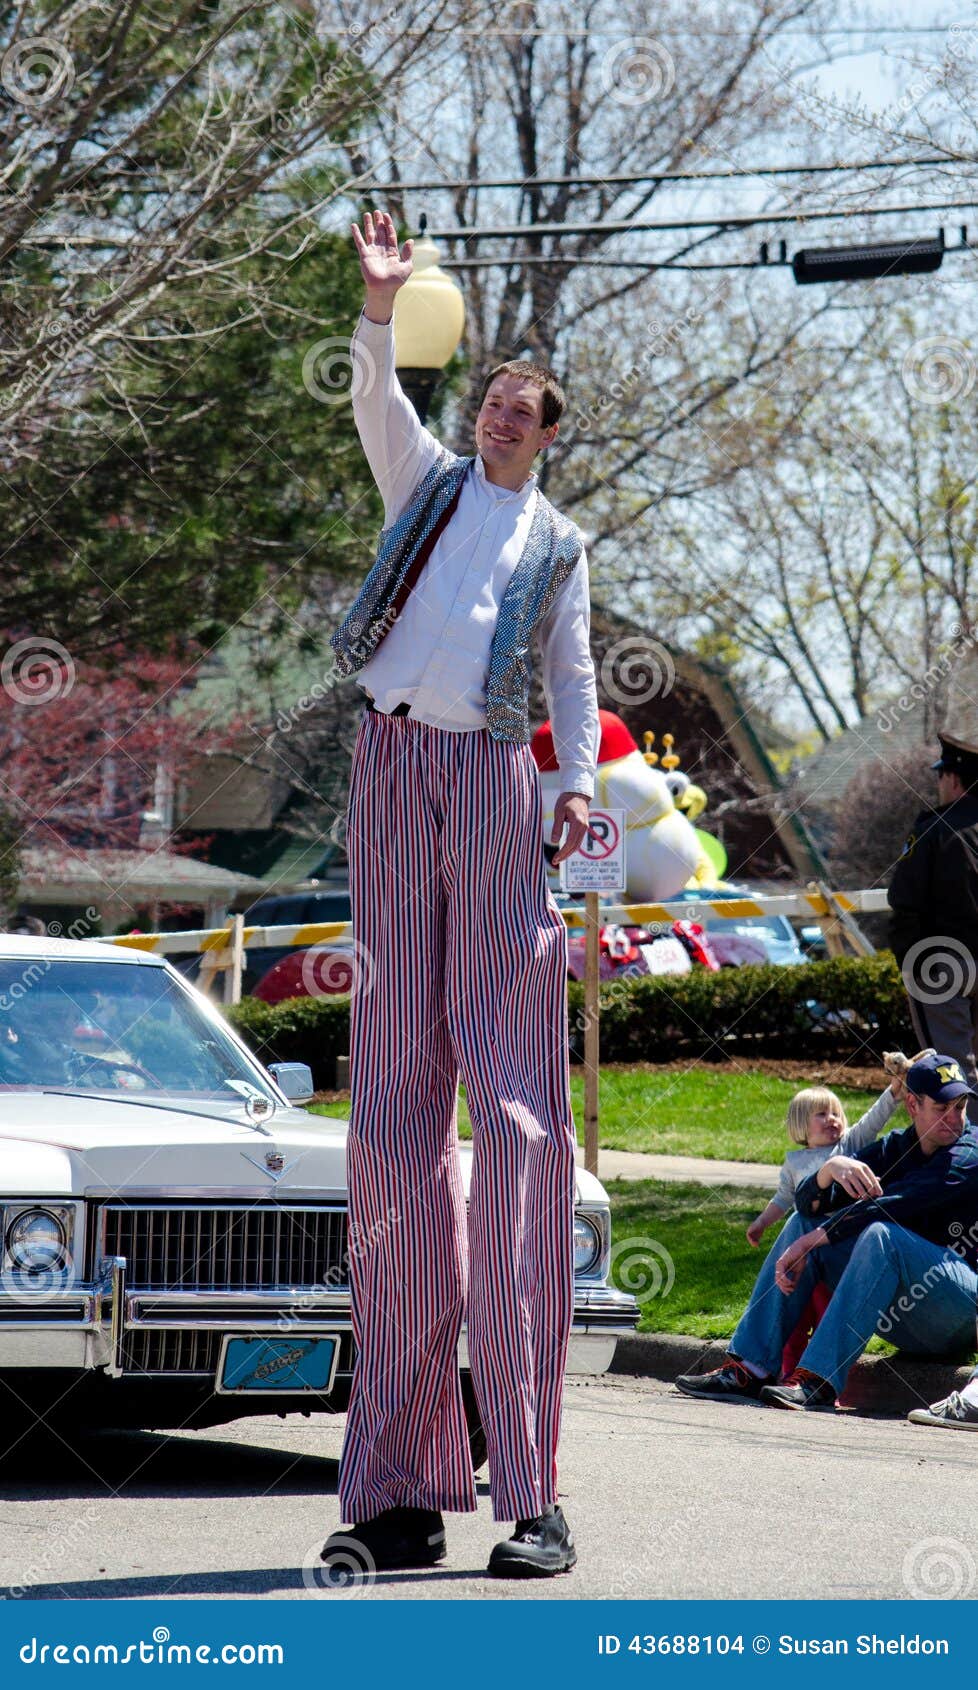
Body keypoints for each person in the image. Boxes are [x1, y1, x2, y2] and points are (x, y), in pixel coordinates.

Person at [320, 211, 598, 1579]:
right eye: (487, 397)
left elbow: (569, 688)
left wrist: (571, 792)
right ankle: (395, 1487)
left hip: (489, 795)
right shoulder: (422, 480)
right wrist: (378, 307)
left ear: (545, 432)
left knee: (519, 1122)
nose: (495, 418)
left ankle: (533, 1486)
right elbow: (376, 392)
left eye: (518, 410)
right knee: (389, 1131)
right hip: (386, 772)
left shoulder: (556, 547)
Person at [675, 1054, 978, 1411]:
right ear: (912, 1104)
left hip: (960, 1312)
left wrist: (818, 1238)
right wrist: (828, 1170)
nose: (954, 1117)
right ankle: (750, 1368)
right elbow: (807, 1206)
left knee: (881, 1234)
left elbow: (901, 1201)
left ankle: (817, 1381)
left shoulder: (970, 1151)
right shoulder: (895, 1148)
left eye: (960, 1106)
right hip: (906, 1320)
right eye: (942, 1106)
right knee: (803, 1224)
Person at [745, 1060, 915, 1381]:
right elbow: (783, 1199)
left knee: (827, 1316)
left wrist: (893, 1092)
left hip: (837, 1247)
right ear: (800, 1126)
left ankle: (821, 1378)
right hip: (801, 1256)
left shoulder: (847, 1146)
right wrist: (762, 1224)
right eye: (821, 1115)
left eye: (836, 1113)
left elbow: (872, 1121)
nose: (832, 1120)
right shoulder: (794, 1162)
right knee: (794, 1317)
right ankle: (785, 1374)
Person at [889, 730, 978, 1093]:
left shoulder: (935, 830)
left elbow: (904, 901)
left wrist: (911, 964)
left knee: (951, 1068)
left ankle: (966, 1146)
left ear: (953, 778)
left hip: (944, 963)